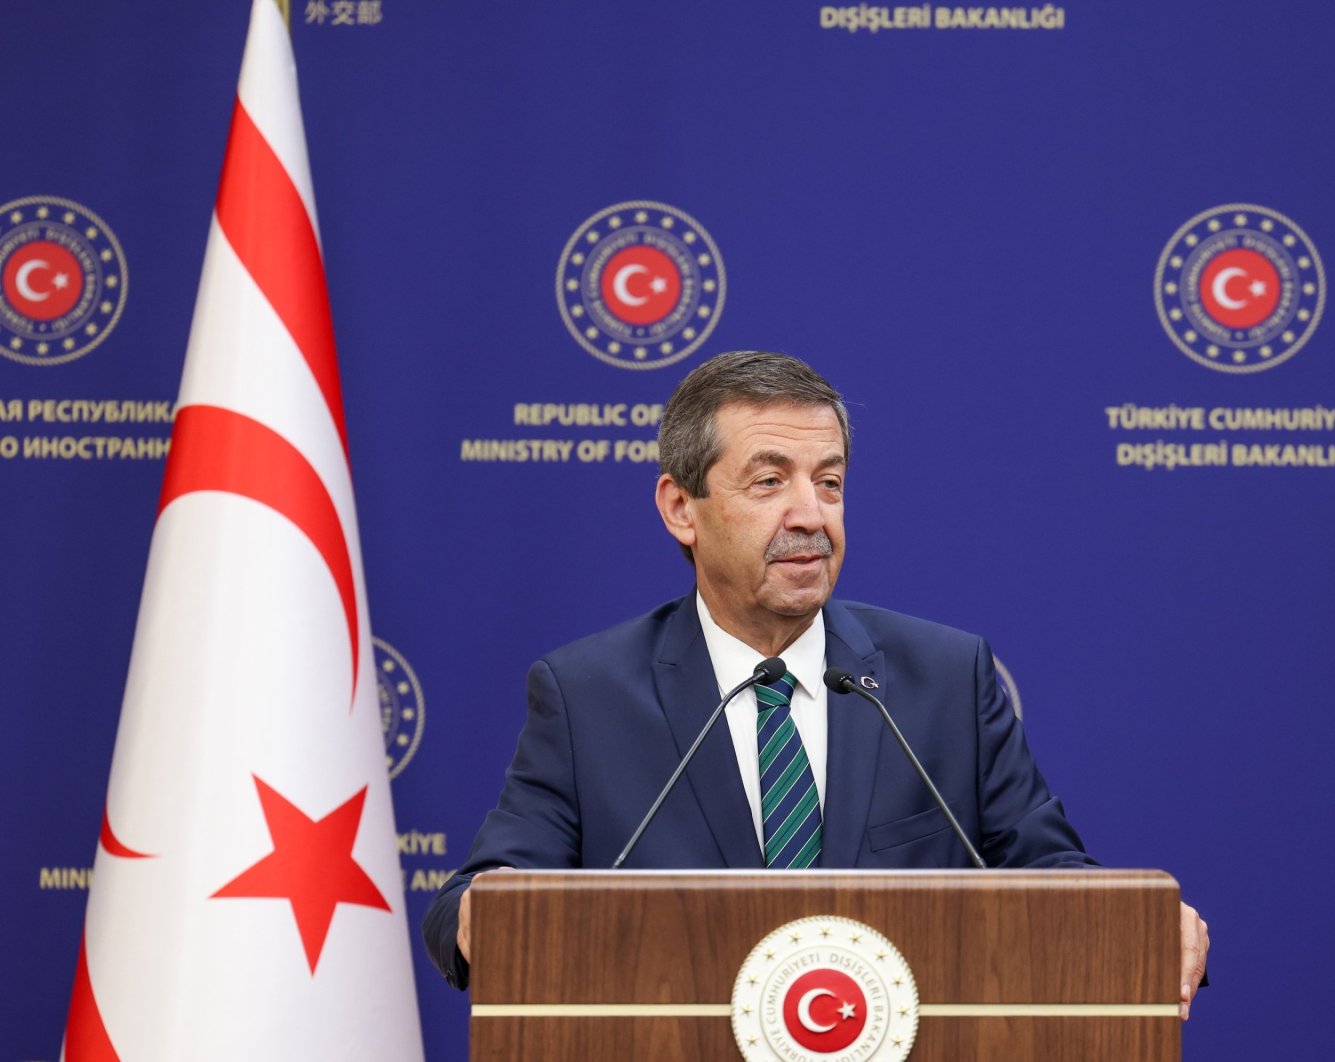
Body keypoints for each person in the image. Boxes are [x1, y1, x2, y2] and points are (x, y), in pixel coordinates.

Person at [422, 350, 1209, 1016]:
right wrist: (487, 916)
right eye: (769, 482)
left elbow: (1050, 878)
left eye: (828, 483)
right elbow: (479, 897)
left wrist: (1136, 923)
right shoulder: (588, 694)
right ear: (680, 508)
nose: (811, 514)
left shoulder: (943, 679)